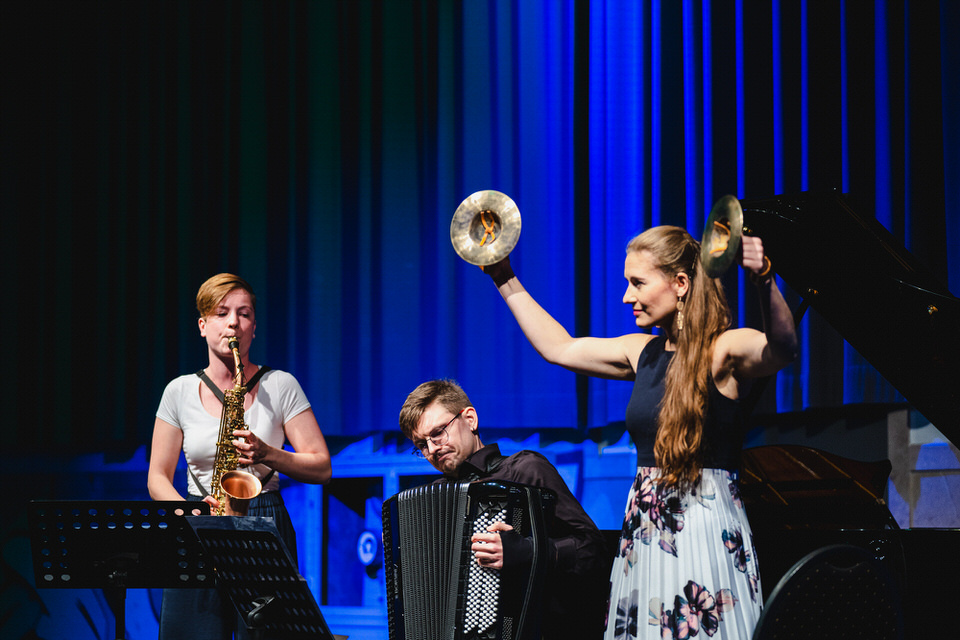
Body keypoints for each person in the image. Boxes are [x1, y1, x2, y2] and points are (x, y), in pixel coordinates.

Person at [482, 226, 797, 639]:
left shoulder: (724, 350)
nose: (627, 296)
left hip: (704, 530)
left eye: (638, 283)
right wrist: (504, 275)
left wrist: (764, 281)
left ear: (680, 284)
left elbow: (782, 349)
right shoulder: (641, 352)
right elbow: (557, 348)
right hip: (646, 533)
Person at [147, 273, 332, 640]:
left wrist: (268, 453)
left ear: (253, 327)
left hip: (264, 520)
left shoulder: (280, 384)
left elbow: (322, 466)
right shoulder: (179, 391)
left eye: (244, 314)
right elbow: (157, 477)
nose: (234, 322)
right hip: (199, 521)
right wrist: (190, 511)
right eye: (222, 313)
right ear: (203, 325)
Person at [399, 379, 610, 640]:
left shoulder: (524, 470)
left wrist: (531, 551)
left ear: (470, 419)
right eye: (421, 445)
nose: (431, 449)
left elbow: (595, 550)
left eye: (438, 433)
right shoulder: (431, 500)